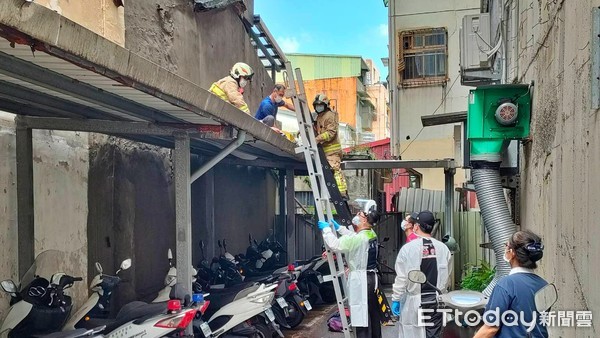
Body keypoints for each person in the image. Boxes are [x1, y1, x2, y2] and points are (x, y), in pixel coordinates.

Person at [318, 206, 382, 338]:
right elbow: (354, 236)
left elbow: (335, 245)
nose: (357, 215)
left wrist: (326, 229)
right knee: (372, 314)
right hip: (372, 279)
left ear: (364, 221)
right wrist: (340, 229)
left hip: (360, 280)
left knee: (360, 316)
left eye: (360, 214)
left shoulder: (358, 239)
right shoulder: (371, 234)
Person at [473, 230, 548, 338]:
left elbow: (490, 328)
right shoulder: (543, 284)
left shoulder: (507, 284)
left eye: (506, 246)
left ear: (512, 252)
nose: (505, 249)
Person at [391, 210, 452, 338]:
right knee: (434, 334)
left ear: (416, 226)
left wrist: (396, 298)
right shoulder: (443, 248)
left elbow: (402, 277)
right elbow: (448, 276)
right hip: (437, 301)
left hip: (415, 301)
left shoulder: (408, 249)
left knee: (413, 333)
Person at [312, 93, 348, 198]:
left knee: (335, 170)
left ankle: (342, 194)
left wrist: (317, 139)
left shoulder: (330, 116)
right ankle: (337, 193)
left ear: (326, 105)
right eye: (317, 105)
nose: (318, 107)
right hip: (325, 150)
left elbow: (331, 133)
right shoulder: (320, 116)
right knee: (330, 172)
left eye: (321, 105)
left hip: (332, 150)